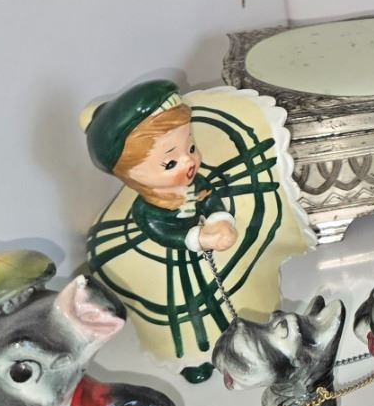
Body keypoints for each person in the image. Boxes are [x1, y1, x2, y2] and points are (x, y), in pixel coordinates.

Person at [82, 79, 296, 381]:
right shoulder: (148, 210)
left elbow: (210, 197)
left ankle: (248, 335)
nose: (189, 161)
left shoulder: (194, 183)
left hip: (208, 252)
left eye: (191, 147)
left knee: (232, 291)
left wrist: (221, 219)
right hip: (177, 264)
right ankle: (198, 356)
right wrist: (197, 237)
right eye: (169, 162)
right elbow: (161, 230)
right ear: (131, 175)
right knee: (189, 311)